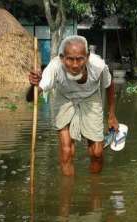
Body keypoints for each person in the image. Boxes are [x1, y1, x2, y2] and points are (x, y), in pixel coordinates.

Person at [28, 35, 118, 176]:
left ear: (87, 57)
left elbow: (109, 85)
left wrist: (112, 115)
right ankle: (67, 194)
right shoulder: (55, 66)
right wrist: (32, 85)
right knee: (66, 152)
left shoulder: (98, 66)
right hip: (65, 98)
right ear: (62, 58)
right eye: (70, 59)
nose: (75, 65)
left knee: (97, 153)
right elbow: (30, 98)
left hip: (90, 97)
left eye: (80, 59)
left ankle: (95, 191)